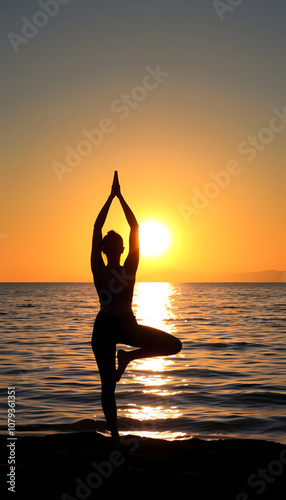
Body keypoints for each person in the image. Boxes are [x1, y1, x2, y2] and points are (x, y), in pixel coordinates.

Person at [91, 171, 182, 446]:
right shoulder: (98, 269)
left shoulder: (130, 267)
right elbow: (96, 229)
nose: (115, 244)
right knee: (108, 386)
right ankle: (115, 437)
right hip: (105, 328)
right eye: (110, 243)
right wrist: (109, 198)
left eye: (117, 242)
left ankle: (129, 358)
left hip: (128, 324)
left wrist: (121, 197)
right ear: (106, 249)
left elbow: (136, 229)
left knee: (173, 345)